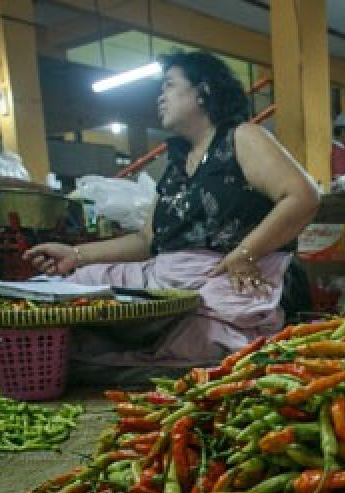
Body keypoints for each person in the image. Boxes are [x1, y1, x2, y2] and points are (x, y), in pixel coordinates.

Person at [24, 51, 320, 370]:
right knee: (73, 288)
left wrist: (245, 254)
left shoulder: (242, 137)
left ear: (203, 91)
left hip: (228, 272)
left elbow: (302, 196)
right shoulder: (176, 165)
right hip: (166, 272)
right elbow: (146, 241)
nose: (159, 97)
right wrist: (75, 254)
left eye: (168, 85)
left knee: (199, 335)